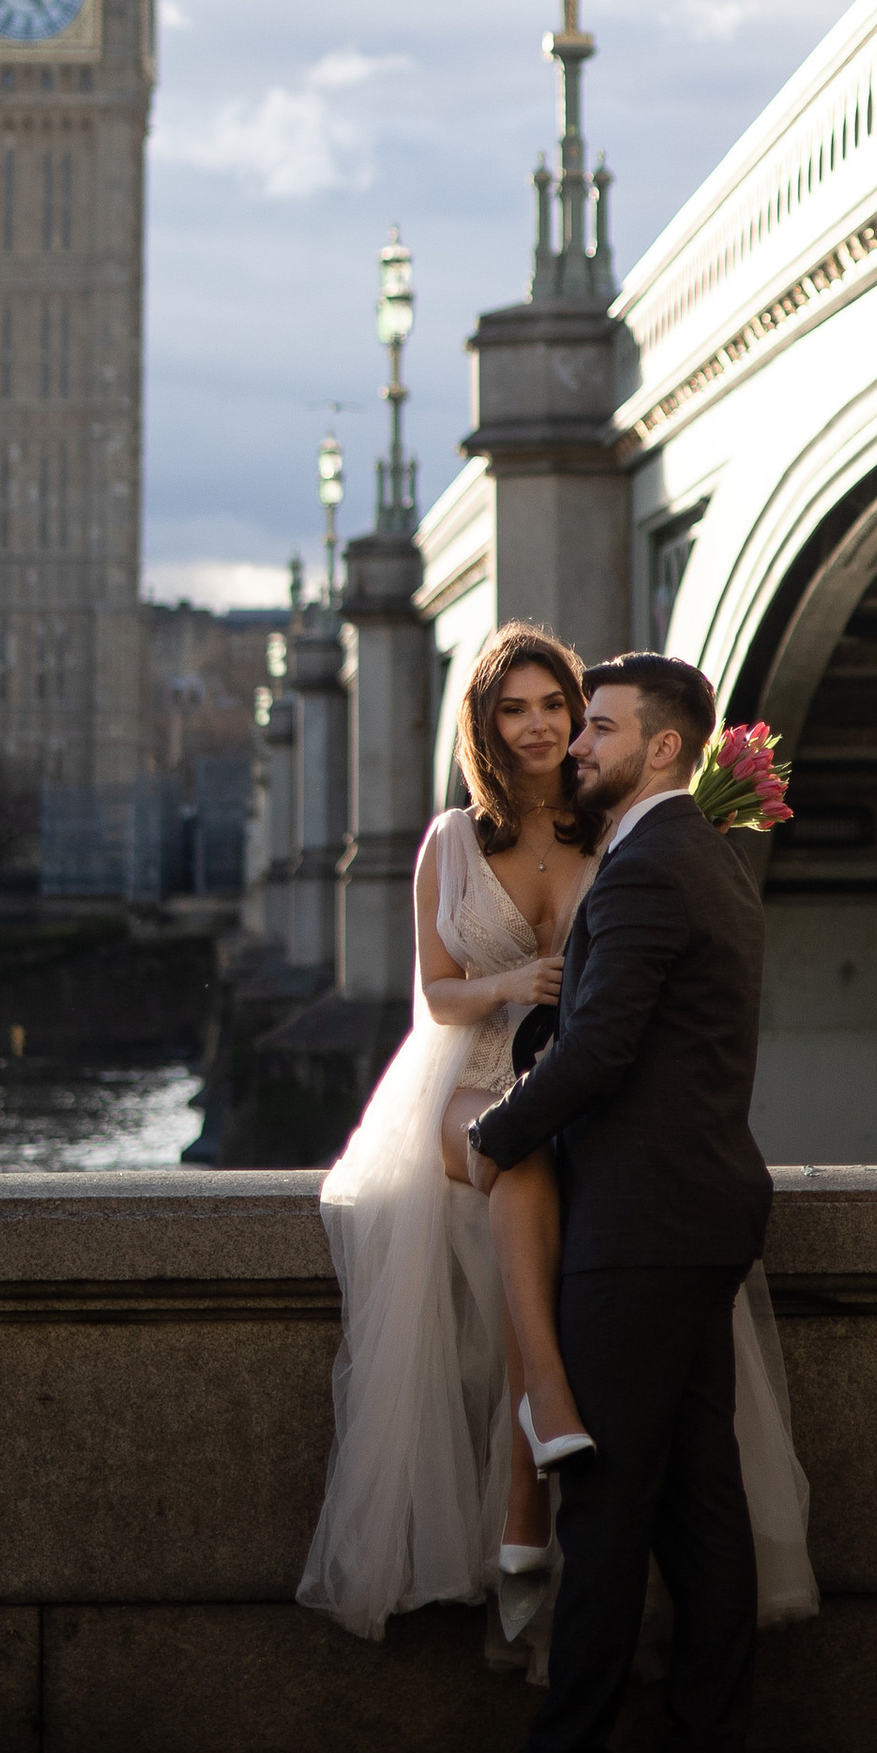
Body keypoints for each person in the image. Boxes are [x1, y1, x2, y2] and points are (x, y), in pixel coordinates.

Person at [297, 625, 812, 1663]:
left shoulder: (618, 832)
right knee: (515, 1150)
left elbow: (633, 995)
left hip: (582, 1107)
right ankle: (546, 1401)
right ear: (483, 726)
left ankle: (542, 1466)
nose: (543, 729)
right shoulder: (453, 839)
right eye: (514, 710)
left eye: (561, 710)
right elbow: (433, 994)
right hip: (475, 1074)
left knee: (673, 1480)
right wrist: (507, 985)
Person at [414, 650, 782, 1753]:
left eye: (598, 727)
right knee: (699, 1504)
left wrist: (495, 1140)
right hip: (703, 1208)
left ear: (661, 748)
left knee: (608, 1502)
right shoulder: (707, 860)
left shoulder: (642, 869)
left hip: (637, 1220)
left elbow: (598, 1050)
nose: (574, 743)